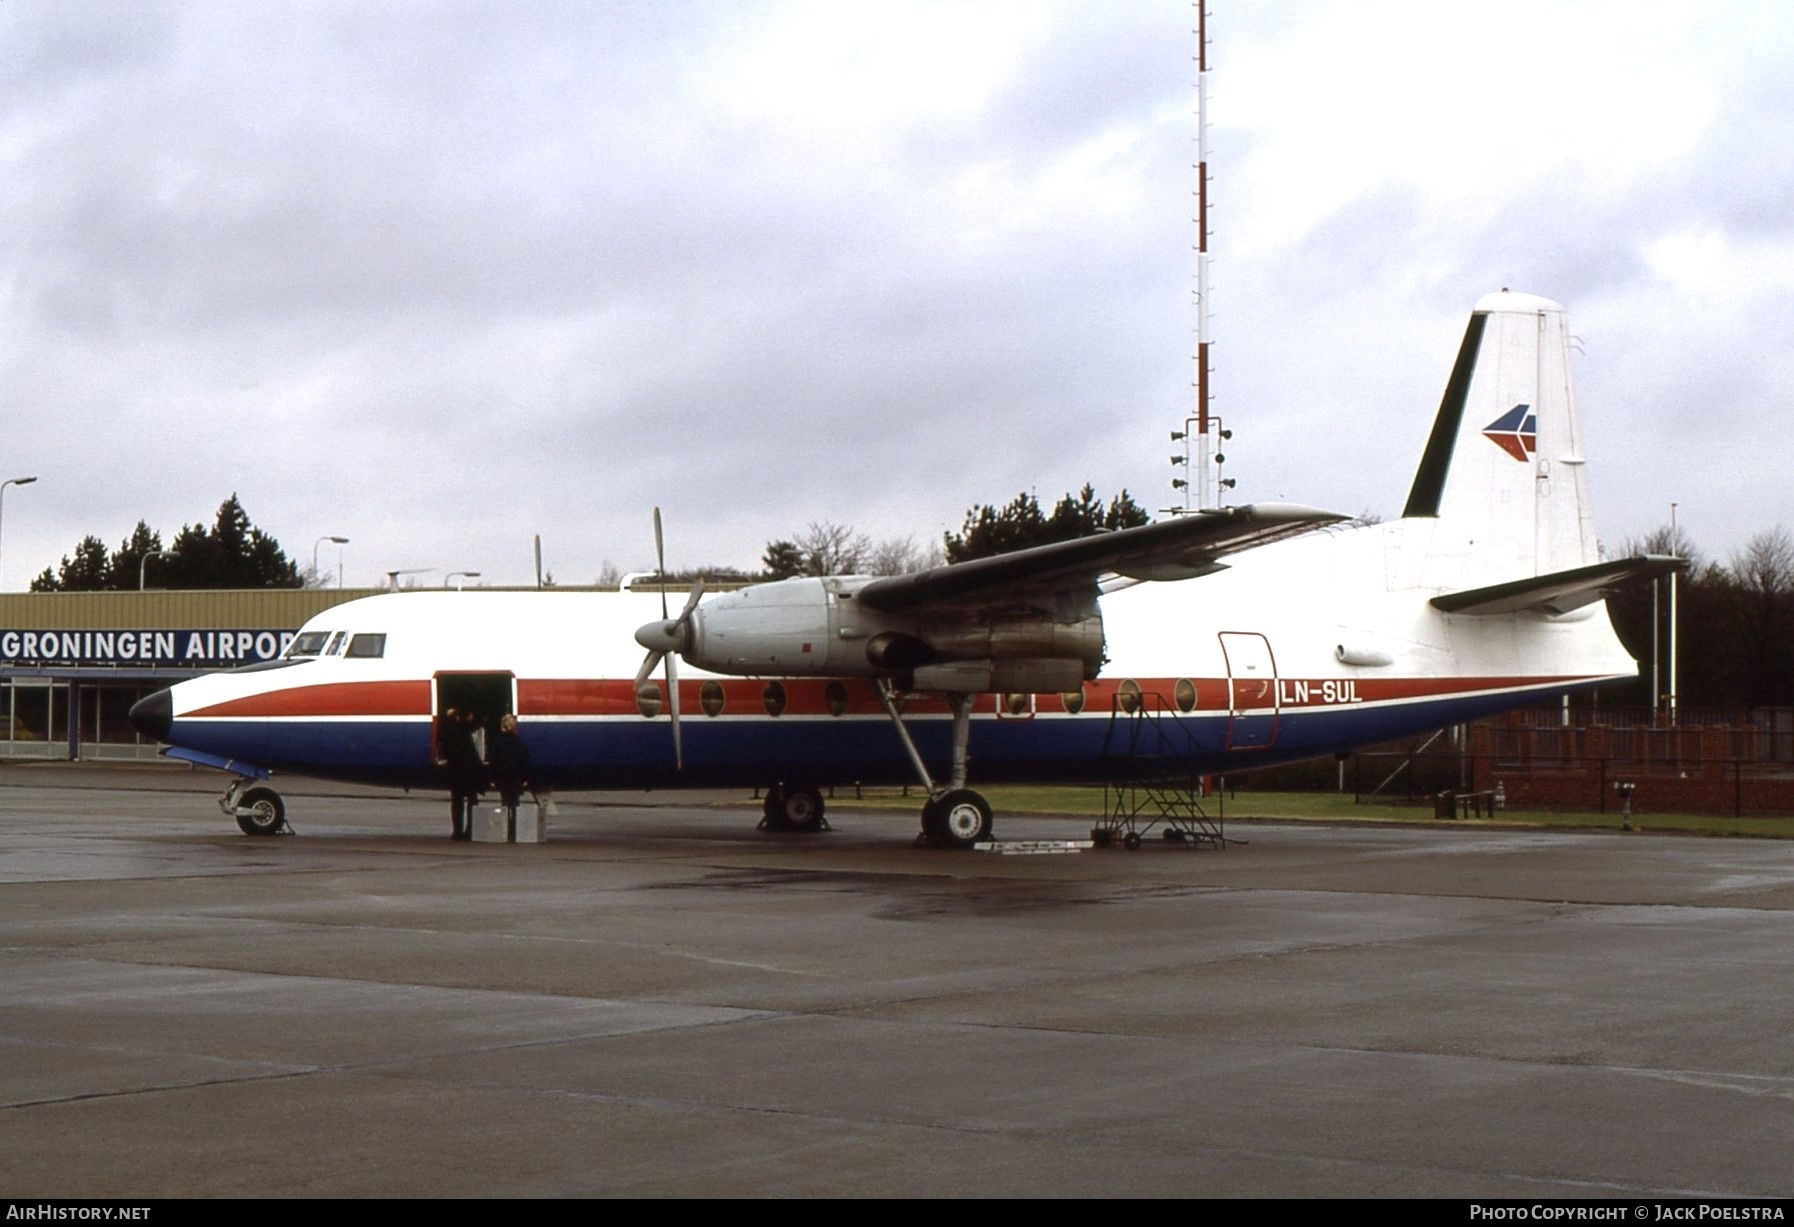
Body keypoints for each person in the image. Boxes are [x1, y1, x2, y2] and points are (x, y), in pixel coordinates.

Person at [442, 707, 483, 840]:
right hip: (468, 772)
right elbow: (473, 753)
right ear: (458, 717)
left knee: (456, 803)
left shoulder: (447, 732)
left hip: (454, 773)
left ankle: (457, 830)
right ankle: (470, 829)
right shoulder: (464, 732)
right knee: (472, 800)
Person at [488, 713, 531, 839]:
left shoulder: (498, 742)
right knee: (515, 803)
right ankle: (515, 829)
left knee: (505, 802)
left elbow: (494, 761)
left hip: (503, 776)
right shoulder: (519, 742)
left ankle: (506, 830)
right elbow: (524, 761)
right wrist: (525, 778)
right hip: (516, 777)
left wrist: (492, 779)